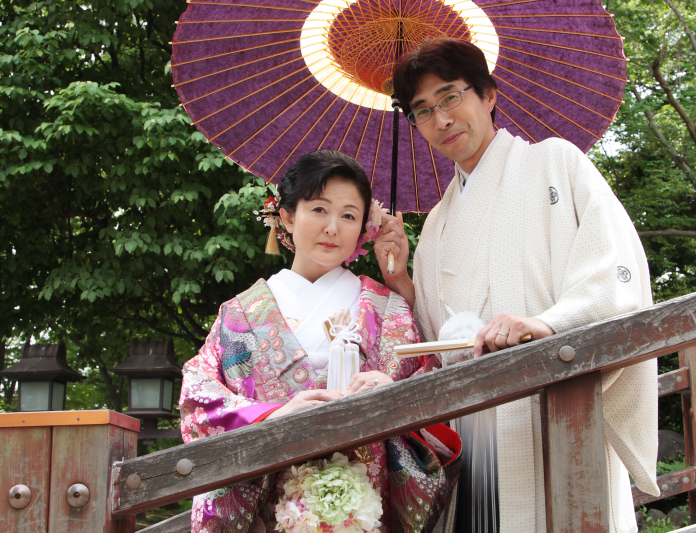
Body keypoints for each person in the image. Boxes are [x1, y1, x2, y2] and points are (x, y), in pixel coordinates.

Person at [374, 38, 659, 533]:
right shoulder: (436, 225)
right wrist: (402, 283)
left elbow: (612, 268)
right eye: (422, 111)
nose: (441, 119)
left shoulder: (555, 163)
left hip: (556, 401)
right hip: (475, 433)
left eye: (450, 97)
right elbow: (436, 340)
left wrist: (548, 324)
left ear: (488, 95)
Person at [179, 151, 449, 533]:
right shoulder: (239, 314)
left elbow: (434, 392)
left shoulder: (388, 309)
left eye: (349, 216)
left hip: (367, 508)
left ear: (364, 228)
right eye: (319, 209)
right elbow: (198, 398)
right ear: (288, 216)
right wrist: (271, 416)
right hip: (271, 509)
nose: (333, 228)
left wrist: (393, 393)